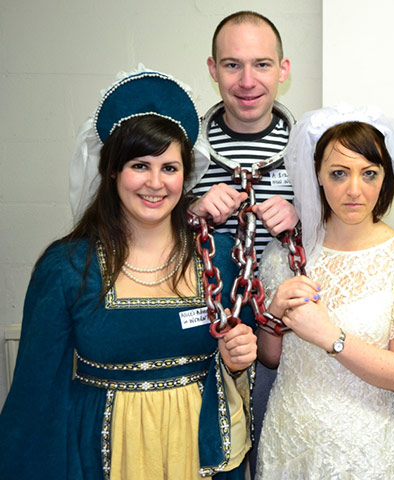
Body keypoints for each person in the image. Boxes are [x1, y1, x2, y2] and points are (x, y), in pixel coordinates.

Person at [0, 69, 257, 479]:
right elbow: (37, 397)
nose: (156, 183)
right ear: (114, 171)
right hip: (105, 460)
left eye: (170, 168)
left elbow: (239, 361)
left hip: (198, 457)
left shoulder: (220, 257)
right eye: (140, 165)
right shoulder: (67, 268)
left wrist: (237, 357)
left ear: (186, 174)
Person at [253, 105, 394, 479]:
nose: (354, 190)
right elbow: (271, 358)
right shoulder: (285, 253)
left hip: (364, 448)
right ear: (317, 175)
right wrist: (272, 316)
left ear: (385, 178)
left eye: (369, 174)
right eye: (338, 173)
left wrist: (331, 336)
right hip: (289, 440)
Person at [186, 11, 300, 475]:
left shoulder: (309, 146)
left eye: (262, 65)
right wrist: (188, 210)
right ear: (212, 69)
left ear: (283, 69)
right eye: (232, 65)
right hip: (203, 324)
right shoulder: (184, 148)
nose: (247, 81)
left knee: (275, 452)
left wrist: (304, 217)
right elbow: (136, 219)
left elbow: (347, 229)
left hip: (284, 330)